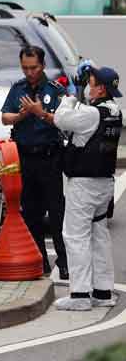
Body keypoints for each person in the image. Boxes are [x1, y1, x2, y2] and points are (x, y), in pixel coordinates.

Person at [53, 66, 122, 311]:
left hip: (84, 184)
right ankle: (103, 292)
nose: (87, 86)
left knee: (75, 236)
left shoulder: (92, 114)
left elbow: (61, 119)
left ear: (101, 88)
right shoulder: (114, 111)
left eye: (90, 83)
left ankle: (80, 294)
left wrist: (69, 96)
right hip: (104, 183)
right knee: (99, 235)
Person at [0, 45, 68, 279]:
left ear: (43, 65)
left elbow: (65, 121)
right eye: (25, 68)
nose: (30, 72)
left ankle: (65, 261)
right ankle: (40, 261)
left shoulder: (55, 89)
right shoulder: (18, 89)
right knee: (31, 213)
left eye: (34, 68)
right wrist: (21, 116)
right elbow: (4, 117)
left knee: (57, 212)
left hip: (50, 158)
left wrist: (39, 112)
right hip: (25, 159)